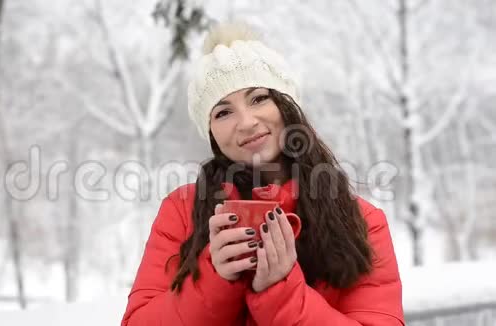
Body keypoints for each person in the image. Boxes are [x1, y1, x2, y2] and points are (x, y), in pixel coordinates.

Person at [121, 22, 404, 325]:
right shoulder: (182, 211)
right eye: (223, 112)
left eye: (258, 98)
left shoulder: (361, 221)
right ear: (212, 133)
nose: (246, 122)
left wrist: (281, 292)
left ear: (287, 106)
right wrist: (213, 278)